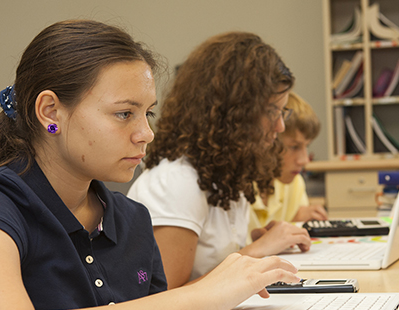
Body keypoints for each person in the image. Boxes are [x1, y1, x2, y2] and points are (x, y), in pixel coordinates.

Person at [0, 20, 300, 310]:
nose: (146, 134)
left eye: (148, 113)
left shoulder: (131, 219)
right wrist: (199, 297)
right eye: (124, 114)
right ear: (50, 112)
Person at [127, 32, 311, 289]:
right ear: (233, 114)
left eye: (282, 112)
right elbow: (164, 299)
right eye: (271, 112)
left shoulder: (223, 171)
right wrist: (256, 251)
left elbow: (210, 267)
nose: (280, 126)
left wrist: (252, 245)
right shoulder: (176, 182)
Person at [248, 91, 328, 236]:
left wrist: (296, 225)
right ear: (269, 140)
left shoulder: (295, 183)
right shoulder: (236, 189)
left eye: (307, 146)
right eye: (294, 147)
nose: (304, 160)